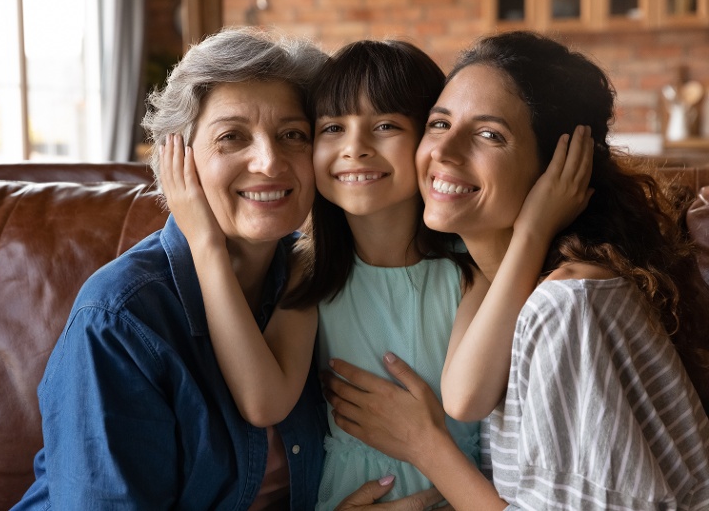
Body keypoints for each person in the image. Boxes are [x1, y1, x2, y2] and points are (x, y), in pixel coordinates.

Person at [161, 38, 589, 509]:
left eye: (385, 125)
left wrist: (532, 230)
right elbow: (264, 401)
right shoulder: (313, 268)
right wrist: (205, 244)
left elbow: (466, 398)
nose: (356, 149)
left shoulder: (467, 267)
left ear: (427, 137)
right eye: (332, 128)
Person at [322, 30, 709, 511]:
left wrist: (423, 442)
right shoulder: (494, 293)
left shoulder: (568, 305)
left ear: (555, 168)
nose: (444, 152)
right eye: (439, 124)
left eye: (489, 135)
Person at [12, 27, 329, 510]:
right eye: (231, 137)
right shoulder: (120, 317)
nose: (269, 161)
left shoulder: (316, 278)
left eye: (293, 135)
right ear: (177, 158)